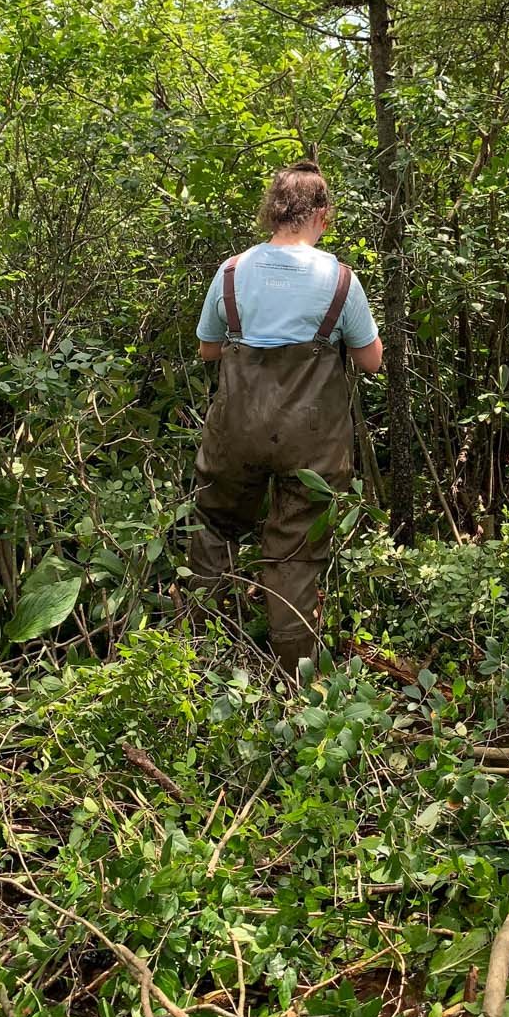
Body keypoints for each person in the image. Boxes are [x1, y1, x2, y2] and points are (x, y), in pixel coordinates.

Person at [189, 162, 386, 668]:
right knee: (296, 552)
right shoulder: (340, 279)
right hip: (312, 441)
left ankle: (210, 653)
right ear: (321, 213)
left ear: (273, 212)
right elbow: (371, 360)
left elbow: (209, 350)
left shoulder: (232, 271)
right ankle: (294, 675)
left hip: (236, 429)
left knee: (215, 524)